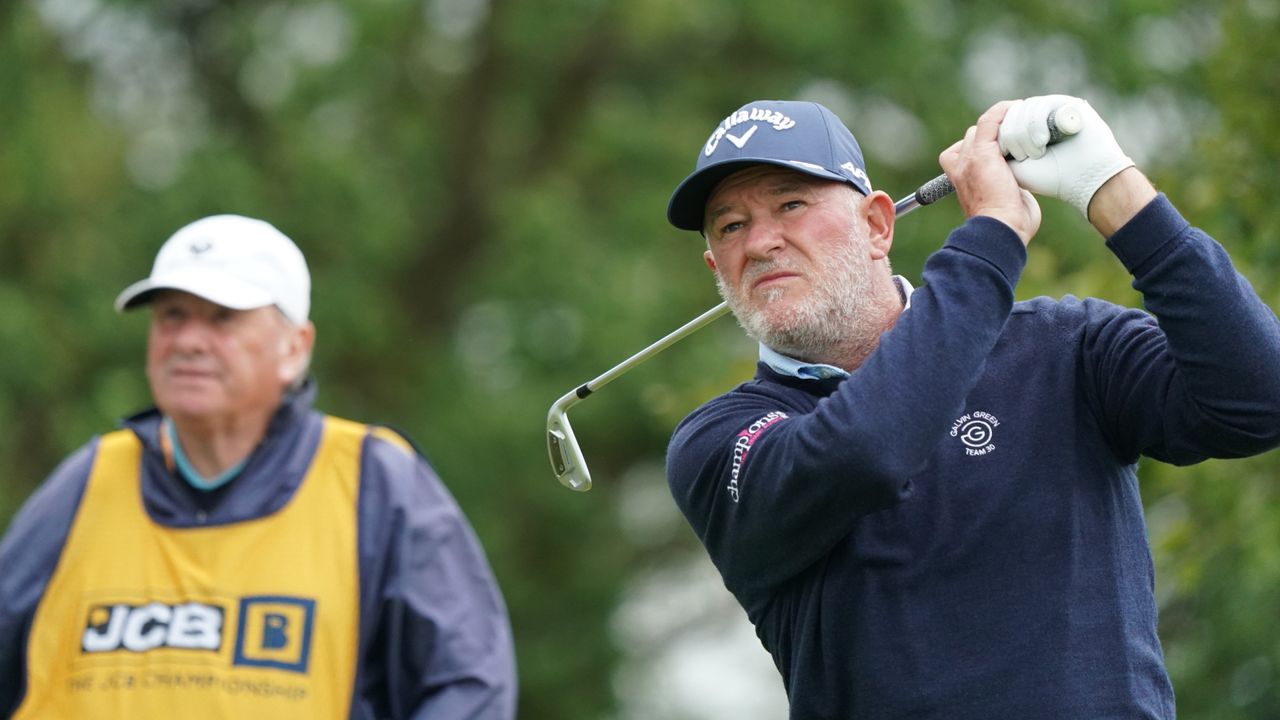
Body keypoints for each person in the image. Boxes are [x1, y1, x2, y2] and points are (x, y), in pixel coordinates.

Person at [663, 96, 1280, 718]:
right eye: (731, 225)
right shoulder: (720, 442)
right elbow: (867, 448)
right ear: (716, 264)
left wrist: (1115, 192)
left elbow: (1259, 398)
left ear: (877, 225)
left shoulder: (1063, 346)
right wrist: (992, 237)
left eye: (790, 204)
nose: (761, 242)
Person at [0, 214, 517, 719]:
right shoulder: (87, 483)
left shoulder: (373, 482)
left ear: (296, 347)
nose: (188, 342)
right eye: (171, 316)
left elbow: (468, 685)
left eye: (222, 317)